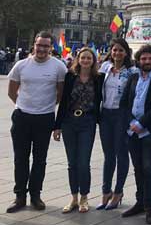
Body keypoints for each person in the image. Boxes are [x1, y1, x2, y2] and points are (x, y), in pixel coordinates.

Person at [6, 31, 68, 213]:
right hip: (22, 117)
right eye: (39, 45)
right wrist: (23, 105)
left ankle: (35, 195)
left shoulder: (59, 67)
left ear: (51, 48)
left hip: (45, 118)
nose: (42, 49)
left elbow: (61, 94)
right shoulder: (21, 65)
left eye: (46, 46)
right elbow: (12, 91)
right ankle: (19, 196)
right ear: (34, 45)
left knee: (40, 160)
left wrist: (46, 106)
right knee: (20, 159)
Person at [120, 44, 151, 224]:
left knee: (149, 168)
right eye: (143, 59)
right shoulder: (132, 78)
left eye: (150, 59)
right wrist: (132, 122)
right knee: (138, 168)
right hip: (132, 131)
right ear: (138, 60)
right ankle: (139, 202)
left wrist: (142, 123)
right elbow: (124, 103)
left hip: (149, 130)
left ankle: (150, 206)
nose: (146, 62)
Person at [53, 48, 103, 213]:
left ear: (93, 61)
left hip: (87, 121)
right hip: (69, 121)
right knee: (71, 162)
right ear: (78, 59)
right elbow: (63, 101)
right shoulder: (70, 77)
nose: (86, 60)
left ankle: (84, 197)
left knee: (83, 162)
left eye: (89, 58)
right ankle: (74, 197)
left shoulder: (98, 78)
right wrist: (57, 125)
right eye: (83, 58)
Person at [97, 38, 138, 210]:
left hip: (122, 115)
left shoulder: (132, 71)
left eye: (121, 50)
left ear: (126, 53)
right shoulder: (105, 68)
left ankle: (118, 191)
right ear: (111, 51)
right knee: (108, 155)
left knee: (121, 153)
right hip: (105, 114)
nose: (117, 53)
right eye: (114, 50)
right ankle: (106, 191)